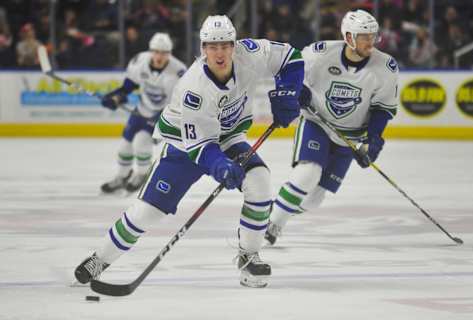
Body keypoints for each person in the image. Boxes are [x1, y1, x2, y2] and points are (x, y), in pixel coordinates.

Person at [75, 15, 304, 288]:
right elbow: (201, 147)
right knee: (147, 213)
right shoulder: (193, 87)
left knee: (260, 180)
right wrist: (220, 167)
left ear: (234, 45)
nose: (219, 53)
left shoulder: (250, 53)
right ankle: (100, 258)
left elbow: (292, 57)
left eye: (225, 45)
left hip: (228, 137)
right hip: (184, 147)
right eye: (212, 46)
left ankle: (249, 256)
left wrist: (288, 92)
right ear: (203, 48)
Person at [265, 10, 399, 245]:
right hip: (317, 123)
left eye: (373, 36)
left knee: (315, 199)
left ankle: (278, 208)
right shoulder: (321, 53)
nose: (371, 41)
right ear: (349, 37)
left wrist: (373, 139)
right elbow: (288, 68)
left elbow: (382, 108)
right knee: (308, 173)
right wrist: (297, 89)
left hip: (350, 134)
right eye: (364, 36)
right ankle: (271, 225)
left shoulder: (385, 67)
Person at [100, 32, 187, 193]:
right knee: (124, 146)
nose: (159, 56)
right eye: (156, 52)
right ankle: (122, 176)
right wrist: (116, 98)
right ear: (150, 51)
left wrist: (160, 118)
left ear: (170, 53)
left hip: (164, 116)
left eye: (164, 53)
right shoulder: (140, 61)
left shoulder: (178, 72)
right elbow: (129, 85)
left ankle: (141, 174)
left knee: (142, 142)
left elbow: (179, 104)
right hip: (141, 109)